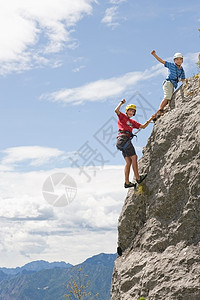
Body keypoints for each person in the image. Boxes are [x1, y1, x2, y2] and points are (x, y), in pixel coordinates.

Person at [115, 99, 152, 188]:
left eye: (133, 111)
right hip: (123, 139)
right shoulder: (123, 117)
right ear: (127, 111)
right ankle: (138, 178)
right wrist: (121, 103)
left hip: (123, 141)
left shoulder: (133, 122)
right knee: (134, 157)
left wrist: (151, 118)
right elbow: (116, 110)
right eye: (130, 110)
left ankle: (127, 183)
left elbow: (143, 126)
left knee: (128, 161)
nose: (131, 112)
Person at [151, 50, 186, 120]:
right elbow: (162, 61)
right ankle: (160, 110)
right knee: (167, 97)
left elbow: (183, 79)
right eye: (177, 59)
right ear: (174, 60)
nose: (179, 61)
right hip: (168, 82)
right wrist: (154, 55)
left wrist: (185, 84)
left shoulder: (182, 70)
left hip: (173, 85)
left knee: (169, 99)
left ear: (182, 60)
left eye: (180, 59)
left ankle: (157, 115)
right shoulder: (171, 65)